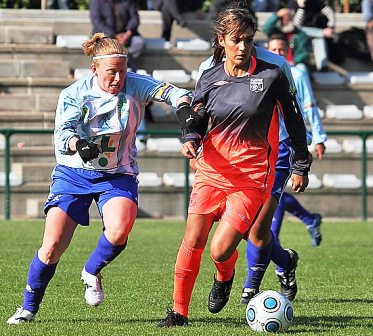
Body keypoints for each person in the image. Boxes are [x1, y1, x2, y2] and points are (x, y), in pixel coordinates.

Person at [6, 32, 193, 325]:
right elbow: (63, 134)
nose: (118, 78)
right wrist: (79, 145)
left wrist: (183, 107)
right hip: (73, 172)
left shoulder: (134, 84)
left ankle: (91, 270)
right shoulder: (73, 94)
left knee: (120, 229)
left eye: (122, 70)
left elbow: (174, 92)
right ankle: (28, 308)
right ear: (94, 69)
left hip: (118, 173)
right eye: (111, 72)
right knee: (52, 246)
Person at [158, 2, 311, 327]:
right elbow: (198, 116)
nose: (242, 46)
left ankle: (224, 274)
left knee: (221, 248)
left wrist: (300, 163)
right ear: (221, 40)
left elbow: (295, 120)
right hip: (211, 172)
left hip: (251, 178)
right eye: (236, 39)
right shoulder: (210, 76)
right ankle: (179, 313)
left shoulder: (271, 76)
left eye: (248, 39)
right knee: (192, 240)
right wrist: (190, 137)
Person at [267, 34, 326, 251]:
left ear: (288, 50)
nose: (278, 53)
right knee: (275, 190)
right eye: (274, 49)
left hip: (291, 141)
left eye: (282, 49)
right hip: (270, 142)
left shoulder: (297, 74)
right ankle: (310, 220)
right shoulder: (263, 74)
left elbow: (309, 106)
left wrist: (319, 138)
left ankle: (273, 240)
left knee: (274, 190)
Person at [89, 0, 145, 65]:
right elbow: (97, 22)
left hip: (126, 37)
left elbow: (134, 18)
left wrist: (128, 32)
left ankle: (123, 62)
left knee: (138, 42)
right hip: (104, 36)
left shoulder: (129, 1)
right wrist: (114, 35)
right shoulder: (97, 2)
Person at [288, 0, 336, 71]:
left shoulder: (315, 2)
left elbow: (330, 13)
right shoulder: (292, 3)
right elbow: (296, 26)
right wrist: (301, 8)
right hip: (299, 33)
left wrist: (331, 26)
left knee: (320, 40)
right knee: (305, 32)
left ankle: (322, 66)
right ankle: (321, 33)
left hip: (314, 32)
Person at [262, 7, 311, 73]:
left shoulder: (300, 34)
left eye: (288, 16)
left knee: (302, 69)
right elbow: (266, 28)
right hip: (276, 60)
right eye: (283, 17)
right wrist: (277, 15)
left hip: (295, 63)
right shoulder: (275, 32)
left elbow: (304, 53)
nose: (286, 19)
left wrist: (294, 61)